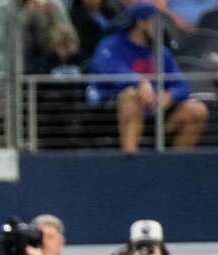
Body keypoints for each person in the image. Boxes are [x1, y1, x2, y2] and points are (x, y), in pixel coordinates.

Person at [87, 3, 208, 154]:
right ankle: (131, 161)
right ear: (141, 23)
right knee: (131, 95)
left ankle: (175, 167)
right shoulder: (111, 45)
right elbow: (109, 70)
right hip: (113, 111)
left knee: (197, 110)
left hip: (155, 113)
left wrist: (170, 96)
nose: (159, 26)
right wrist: (140, 82)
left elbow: (182, 85)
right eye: (154, 21)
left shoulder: (162, 52)